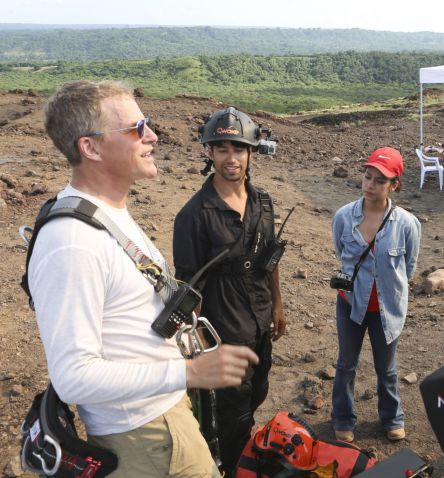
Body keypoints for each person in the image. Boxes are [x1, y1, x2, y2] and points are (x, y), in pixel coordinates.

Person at [29, 80, 259, 478]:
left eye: (147, 123)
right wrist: (188, 373)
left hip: (161, 417)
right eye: (136, 129)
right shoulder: (72, 243)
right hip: (144, 438)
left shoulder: (106, 211)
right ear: (92, 147)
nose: (152, 135)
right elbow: (73, 377)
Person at [173, 107, 286, 477]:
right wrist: (201, 349)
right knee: (229, 419)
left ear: (251, 152)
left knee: (257, 394)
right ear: (209, 153)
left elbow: (270, 259)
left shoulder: (263, 203)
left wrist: (278, 309)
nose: (230, 157)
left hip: (260, 322)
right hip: (223, 334)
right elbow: (189, 286)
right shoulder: (193, 215)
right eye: (221, 149)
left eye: (238, 148)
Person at [330, 147, 421, 443]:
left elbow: (407, 267)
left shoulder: (406, 223)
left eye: (380, 181)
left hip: (387, 309)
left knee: (388, 369)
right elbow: (341, 253)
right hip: (350, 305)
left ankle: (392, 418)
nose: (370, 184)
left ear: (394, 185)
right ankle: (343, 418)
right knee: (346, 364)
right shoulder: (344, 217)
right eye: (367, 177)